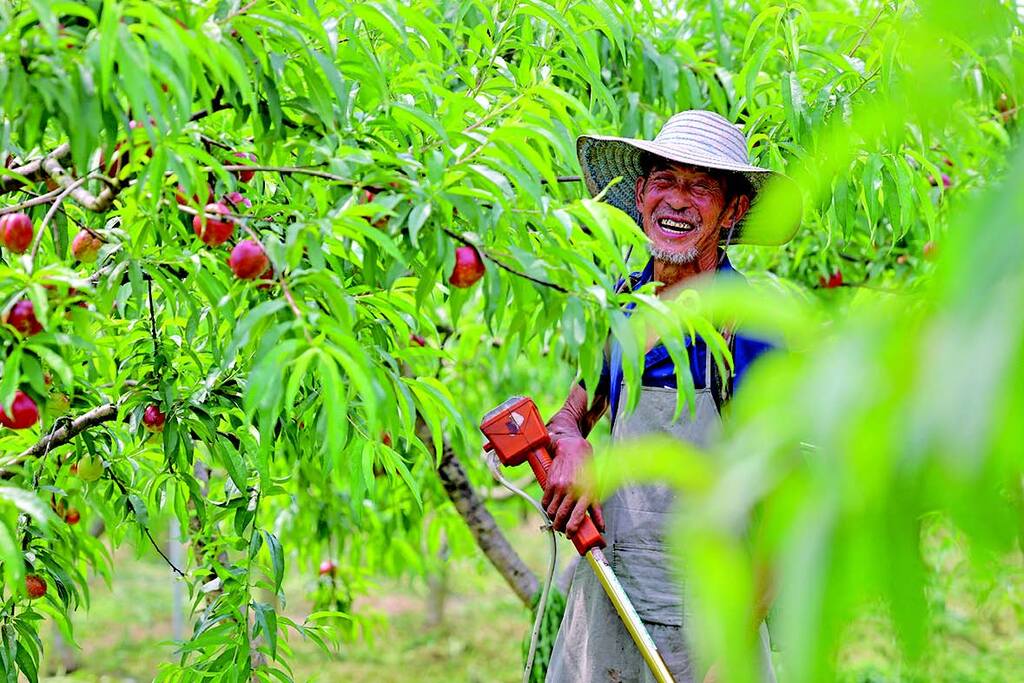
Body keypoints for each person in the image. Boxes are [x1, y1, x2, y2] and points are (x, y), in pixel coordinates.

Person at [542, 110, 801, 683]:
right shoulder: (624, 302)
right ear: (641, 193)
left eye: (700, 187)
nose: (677, 200)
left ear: (731, 210)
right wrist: (570, 446)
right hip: (607, 602)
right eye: (665, 180)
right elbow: (569, 415)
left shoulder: (747, 326)